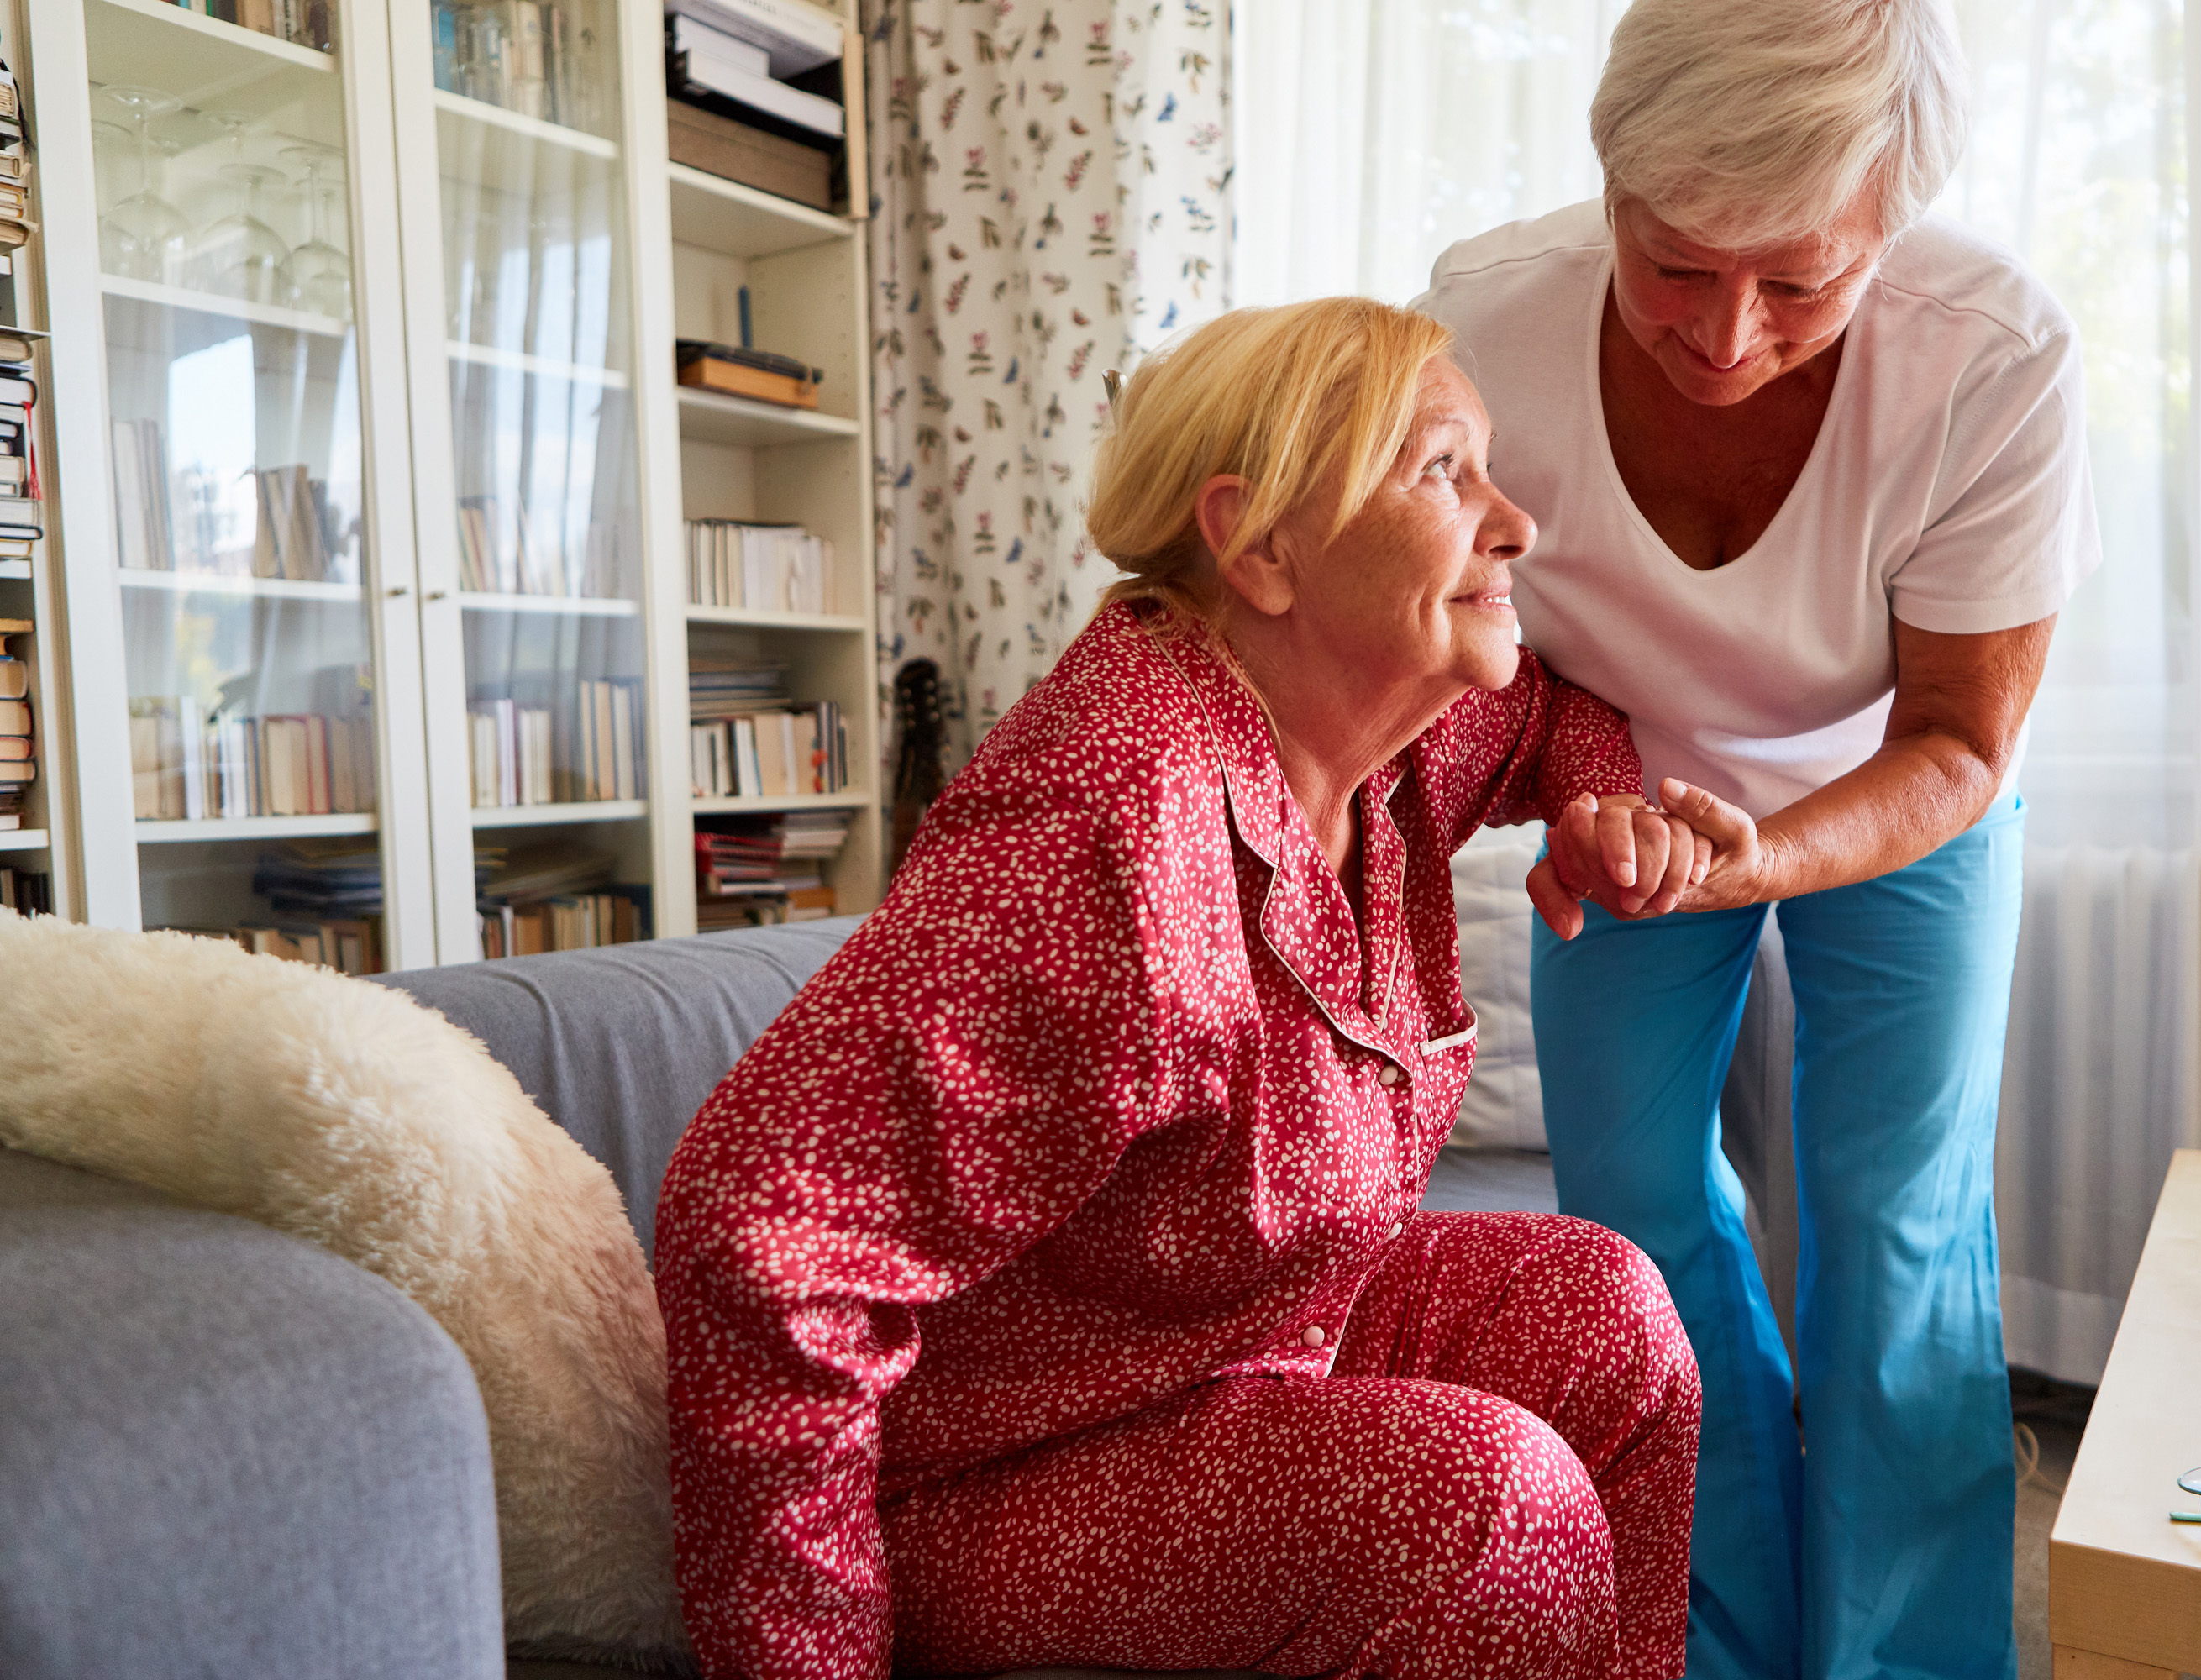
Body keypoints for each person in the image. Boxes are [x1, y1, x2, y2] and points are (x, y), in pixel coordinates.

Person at [655, 297, 1710, 1680]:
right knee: (1484, 1504)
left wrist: (1596, 808)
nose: (1512, 522)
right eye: (1441, 471)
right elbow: (763, 1227)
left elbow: (1556, 714)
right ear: (1261, 545)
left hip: (1250, 1341)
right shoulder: (1108, 827)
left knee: (1611, 1318)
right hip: (1003, 1467)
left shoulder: (1390, 739)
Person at [1417, 3, 2103, 1677]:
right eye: (1675, 265)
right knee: (1629, 1209)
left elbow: (1958, 736)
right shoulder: (1477, 326)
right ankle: (1711, 1631)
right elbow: (1452, 632)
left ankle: (1909, 1655)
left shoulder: (1994, 353)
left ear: (1890, 230)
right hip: (1629, 785)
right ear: (1614, 184)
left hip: (1905, 781)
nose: (1726, 334)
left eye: (1798, 282)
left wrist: (1764, 857)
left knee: (1895, 1215)